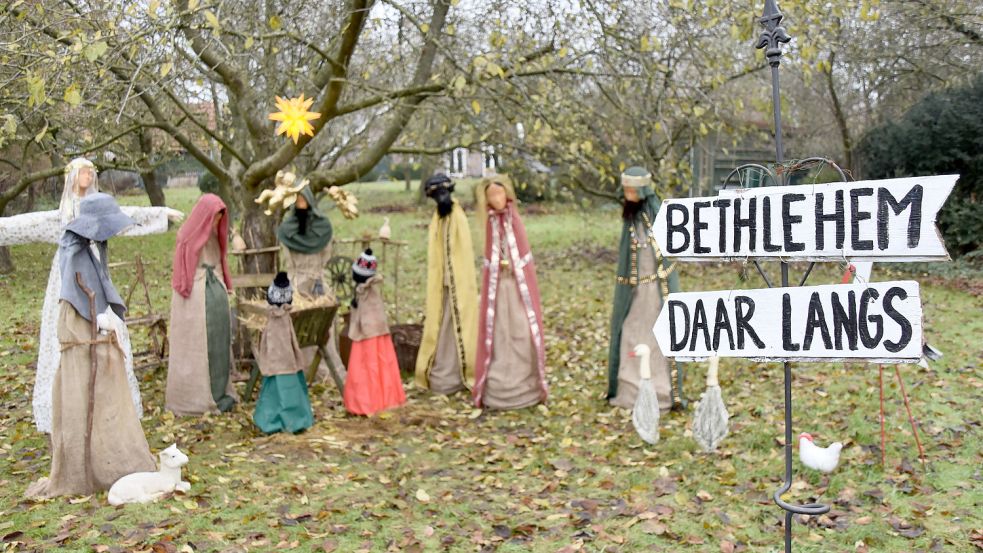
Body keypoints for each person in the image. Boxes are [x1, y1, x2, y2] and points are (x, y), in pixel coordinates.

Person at [0, 157, 182, 435]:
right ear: (71, 175)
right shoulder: (63, 214)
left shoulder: (99, 205)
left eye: (91, 171)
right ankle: (69, 405)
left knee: (107, 333)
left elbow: (126, 214)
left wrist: (160, 214)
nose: (88, 175)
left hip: (97, 277)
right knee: (69, 335)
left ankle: (107, 403)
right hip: (67, 279)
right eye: (82, 171)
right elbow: (27, 224)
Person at [25, 193, 155, 499]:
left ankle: (105, 459)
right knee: (85, 392)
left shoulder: (86, 248)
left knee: (101, 391)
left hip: (90, 326)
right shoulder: (74, 252)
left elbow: (96, 285)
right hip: (83, 329)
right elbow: (78, 289)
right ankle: (86, 467)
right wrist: (98, 318)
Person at [607, 167, 681, 411]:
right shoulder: (630, 219)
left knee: (656, 336)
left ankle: (659, 390)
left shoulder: (657, 216)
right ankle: (630, 387)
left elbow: (665, 252)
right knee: (630, 331)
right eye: (625, 190)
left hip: (656, 291)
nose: (627, 195)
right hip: (635, 292)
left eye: (632, 190)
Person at [472, 175, 548, 409]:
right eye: (491, 196)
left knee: (521, 329)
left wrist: (514, 268)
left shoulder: (515, 220)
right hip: (498, 287)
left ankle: (525, 383)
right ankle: (499, 383)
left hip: (516, 288)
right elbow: (489, 255)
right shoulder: (489, 223)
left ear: (507, 194)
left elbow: (522, 254)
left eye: (499, 194)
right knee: (498, 332)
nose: (496, 199)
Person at [165, 193, 238, 415]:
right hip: (195, 298)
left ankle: (218, 392)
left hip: (215, 293)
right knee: (195, 347)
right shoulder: (188, 235)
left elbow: (221, 258)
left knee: (218, 344)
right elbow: (183, 271)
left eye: (220, 217)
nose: (217, 222)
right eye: (214, 216)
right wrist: (190, 288)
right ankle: (193, 397)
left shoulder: (217, 233)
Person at [414, 174, 478, 394]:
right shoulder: (437, 218)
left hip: (457, 284)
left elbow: (461, 252)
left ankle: (460, 372)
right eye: (436, 195)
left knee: (458, 325)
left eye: (443, 193)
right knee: (440, 327)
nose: (440, 198)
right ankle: (443, 371)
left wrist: (453, 278)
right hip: (441, 286)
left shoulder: (457, 217)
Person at [276, 181, 345, 378]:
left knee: (324, 326)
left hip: (318, 281)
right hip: (297, 283)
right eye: (297, 200)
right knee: (298, 326)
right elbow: (288, 261)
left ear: (311, 201)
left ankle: (324, 370)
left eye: (303, 199)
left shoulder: (322, 227)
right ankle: (300, 368)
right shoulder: (287, 229)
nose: (300, 204)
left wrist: (317, 273)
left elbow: (326, 255)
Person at [344, 250, 406, 415]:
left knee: (370, 367)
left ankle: (370, 402)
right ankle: (372, 400)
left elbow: (367, 315)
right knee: (377, 366)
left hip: (369, 336)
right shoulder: (364, 290)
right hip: (372, 334)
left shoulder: (368, 292)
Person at [253, 272, 314, 434]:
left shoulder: (273, 319)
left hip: (276, 361)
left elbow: (268, 341)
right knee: (290, 388)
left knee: (274, 390)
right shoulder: (286, 318)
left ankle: (272, 420)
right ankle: (296, 419)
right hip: (288, 361)